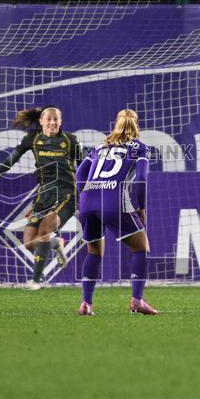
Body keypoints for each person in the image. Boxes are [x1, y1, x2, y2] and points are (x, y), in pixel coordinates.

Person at [0, 106, 83, 289]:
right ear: (41, 121)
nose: (52, 122)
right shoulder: (32, 139)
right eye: (48, 119)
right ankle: (55, 243)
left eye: (55, 119)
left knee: (44, 230)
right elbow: (12, 159)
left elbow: (84, 167)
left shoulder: (71, 140)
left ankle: (36, 280)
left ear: (61, 121)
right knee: (28, 243)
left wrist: (88, 192)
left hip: (67, 193)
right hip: (44, 194)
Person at [74, 109, 157, 316]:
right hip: (112, 200)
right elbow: (141, 180)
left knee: (94, 251)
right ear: (136, 125)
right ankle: (137, 301)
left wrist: (83, 197)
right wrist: (141, 207)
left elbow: (79, 174)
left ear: (116, 123)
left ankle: (86, 303)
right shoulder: (140, 148)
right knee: (141, 247)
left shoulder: (99, 146)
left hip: (87, 201)